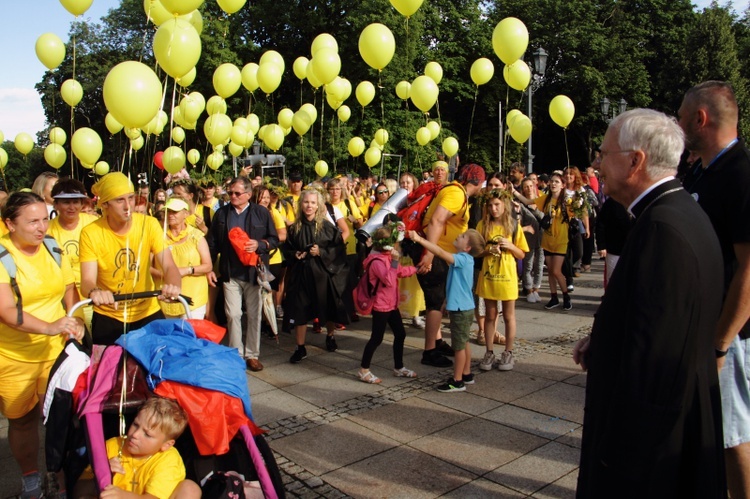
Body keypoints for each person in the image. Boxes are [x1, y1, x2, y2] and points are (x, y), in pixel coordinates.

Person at [573, 108, 726, 497]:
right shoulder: (672, 212)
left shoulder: (663, 229)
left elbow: (656, 362)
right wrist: (604, 339)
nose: (598, 164)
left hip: (650, 456)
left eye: (604, 154)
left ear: (635, 160)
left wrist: (620, 455)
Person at [679, 80, 750, 498]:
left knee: (732, 436)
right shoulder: (702, 169)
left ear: (700, 119)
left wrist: (721, 344)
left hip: (731, 335)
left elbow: (748, 268)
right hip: (706, 328)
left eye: (683, 115)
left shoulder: (739, 173)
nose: (678, 122)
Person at [0, 192, 85, 498]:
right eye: (32, 221)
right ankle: (30, 478)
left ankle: (59, 478)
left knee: (60, 419)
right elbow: (7, 311)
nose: (41, 228)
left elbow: (68, 289)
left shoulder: (52, 247)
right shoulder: (2, 256)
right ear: (9, 223)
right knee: (22, 421)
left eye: (44, 219)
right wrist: (49, 326)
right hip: (14, 356)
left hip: (55, 353)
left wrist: (75, 319)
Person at [80, 172, 182, 346]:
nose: (128, 206)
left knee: (158, 367)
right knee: (108, 371)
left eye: (131, 198)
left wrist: (173, 285)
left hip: (147, 312)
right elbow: (87, 280)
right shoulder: (91, 233)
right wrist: (95, 292)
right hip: (108, 315)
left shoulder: (148, 224)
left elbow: (169, 265)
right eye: (120, 200)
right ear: (105, 204)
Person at [411, 164, 485, 368]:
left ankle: (436, 342)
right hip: (435, 254)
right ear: (476, 181)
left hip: (439, 254)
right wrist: (429, 254)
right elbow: (436, 221)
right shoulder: (456, 194)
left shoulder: (456, 191)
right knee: (435, 302)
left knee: (438, 299)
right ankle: (430, 352)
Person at [207, 177, 279, 372]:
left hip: (254, 272)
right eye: (230, 193)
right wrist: (208, 267)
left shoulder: (261, 212)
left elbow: (274, 239)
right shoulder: (222, 214)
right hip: (230, 272)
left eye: (237, 193)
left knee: (254, 315)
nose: (233, 196)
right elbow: (212, 242)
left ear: (248, 194)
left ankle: (252, 355)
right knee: (233, 314)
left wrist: (260, 244)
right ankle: (236, 354)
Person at [73, 397, 201, 498]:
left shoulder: (168, 459)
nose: (135, 434)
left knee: (190, 488)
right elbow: (78, 492)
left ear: (166, 445)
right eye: (135, 424)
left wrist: (122, 496)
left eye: (147, 434)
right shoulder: (112, 445)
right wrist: (100, 474)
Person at [408, 228, 485, 392]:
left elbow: (440, 252)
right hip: (463, 307)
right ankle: (466, 374)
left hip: (461, 310)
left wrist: (420, 240)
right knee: (463, 343)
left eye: (463, 236)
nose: (458, 235)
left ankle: (457, 381)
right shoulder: (466, 259)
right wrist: (445, 302)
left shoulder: (462, 259)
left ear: (467, 247)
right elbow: (456, 285)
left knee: (458, 347)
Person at [282, 188, 348, 363]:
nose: (309, 206)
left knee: (327, 306)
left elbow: (339, 248)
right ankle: (300, 347)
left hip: (322, 274)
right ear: (301, 204)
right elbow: (286, 249)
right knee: (299, 309)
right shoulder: (295, 227)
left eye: (312, 203)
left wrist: (322, 252)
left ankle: (330, 336)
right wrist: (294, 254)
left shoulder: (327, 227)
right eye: (306, 202)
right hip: (301, 274)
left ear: (318, 205)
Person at [357, 224, 418, 384]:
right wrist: (395, 261)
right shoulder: (377, 261)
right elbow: (390, 279)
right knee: (376, 338)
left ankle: (399, 367)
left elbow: (400, 271)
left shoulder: (387, 258)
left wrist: (416, 268)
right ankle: (364, 370)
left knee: (400, 334)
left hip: (391, 305)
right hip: (381, 306)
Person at [475, 189, 528, 372]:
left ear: (504, 205)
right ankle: (489, 351)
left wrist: (511, 246)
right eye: (490, 205)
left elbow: (521, 253)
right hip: (489, 275)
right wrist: (488, 251)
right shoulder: (483, 224)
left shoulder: (513, 225)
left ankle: (508, 351)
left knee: (508, 315)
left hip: (507, 275)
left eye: (497, 205)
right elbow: (476, 251)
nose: (493, 208)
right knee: (490, 315)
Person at [153, 197, 212, 320]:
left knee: (189, 336)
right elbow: (147, 266)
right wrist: (164, 274)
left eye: (175, 211)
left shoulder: (196, 236)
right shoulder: (157, 236)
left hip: (193, 298)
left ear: (185, 213)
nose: (170, 215)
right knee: (170, 337)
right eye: (168, 211)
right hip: (166, 298)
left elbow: (208, 266)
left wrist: (186, 270)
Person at [534, 173, 573, 311]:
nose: (553, 184)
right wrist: (514, 192)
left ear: (562, 185)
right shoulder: (546, 199)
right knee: (550, 271)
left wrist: (579, 202)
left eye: (557, 182)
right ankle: (554, 297)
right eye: (552, 181)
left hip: (561, 240)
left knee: (556, 271)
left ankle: (566, 296)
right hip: (548, 239)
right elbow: (529, 202)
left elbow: (579, 212)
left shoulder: (567, 201)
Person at [397, 172, 426, 329]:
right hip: (400, 245)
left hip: (415, 244)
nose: (405, 185)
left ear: (414, 184)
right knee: (400, 281)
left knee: (415, 283)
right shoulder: (397, 202)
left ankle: (415, 315)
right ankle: (399, 314)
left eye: (408, 182)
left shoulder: (419, 200)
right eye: (402, 182)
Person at [520, 177, 543, 302]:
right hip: (528, 238)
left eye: (530, 186)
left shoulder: (541, 201)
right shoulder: (521, 205)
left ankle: (536, 289)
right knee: (528, 265)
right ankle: (528, 289)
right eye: (526, 187)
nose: (529, 189)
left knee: (539, 264)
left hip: (542, 238)